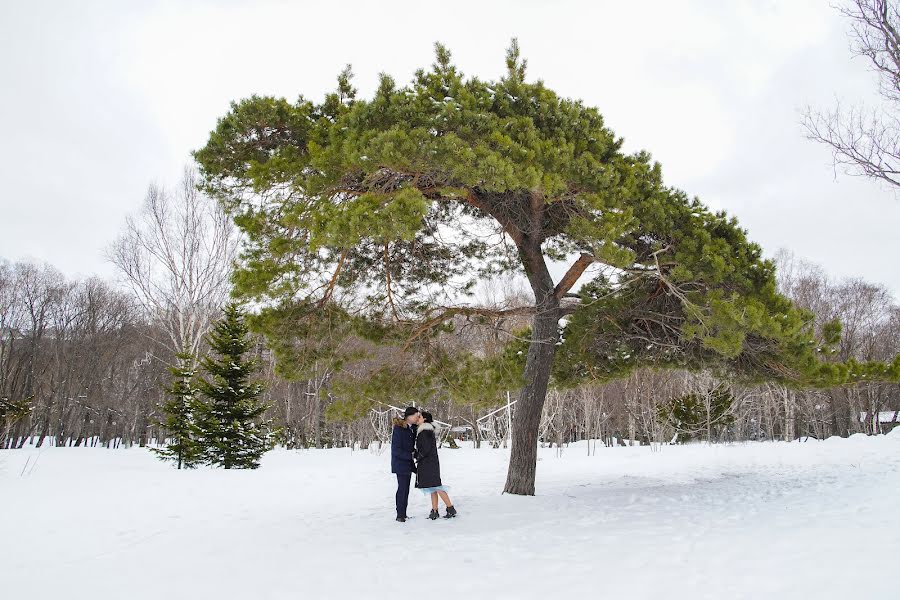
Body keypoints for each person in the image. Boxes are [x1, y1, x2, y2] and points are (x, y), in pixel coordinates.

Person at [414, 411, 457, 520]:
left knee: (436, 486)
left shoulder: (425, 431)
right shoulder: (425, 430)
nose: (417, 418)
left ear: (424, 419)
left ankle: (450, 508)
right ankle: (434, 510)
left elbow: (425, 449)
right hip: (429, 463)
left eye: (419, 417)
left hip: (428, 464)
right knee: (432, 487)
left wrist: (417, 455)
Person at [391, 406, 419, 523]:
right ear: (409, 416)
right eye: (416, 416)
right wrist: (410, 455)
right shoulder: (399, 429)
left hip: (408, 463)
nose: (417, 418)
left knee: (406, 489)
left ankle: (403, 513)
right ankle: (400, 515)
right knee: (402, 489)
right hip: (400, 464)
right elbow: (396, 449)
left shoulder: (410, 429)